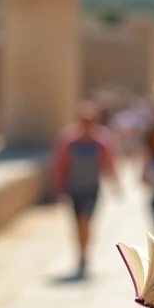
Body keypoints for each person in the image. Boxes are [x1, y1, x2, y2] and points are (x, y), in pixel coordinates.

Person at [50, 100, 119, 279]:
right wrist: (58, 189)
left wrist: (115, 185)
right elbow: (60, 166)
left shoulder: (102, 141)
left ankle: (85, 252)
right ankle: (80, 252)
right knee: (77, 224)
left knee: (85, 221)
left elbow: (109, 164)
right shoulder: (68, 141)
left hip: (91, 189)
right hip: (74, 189)